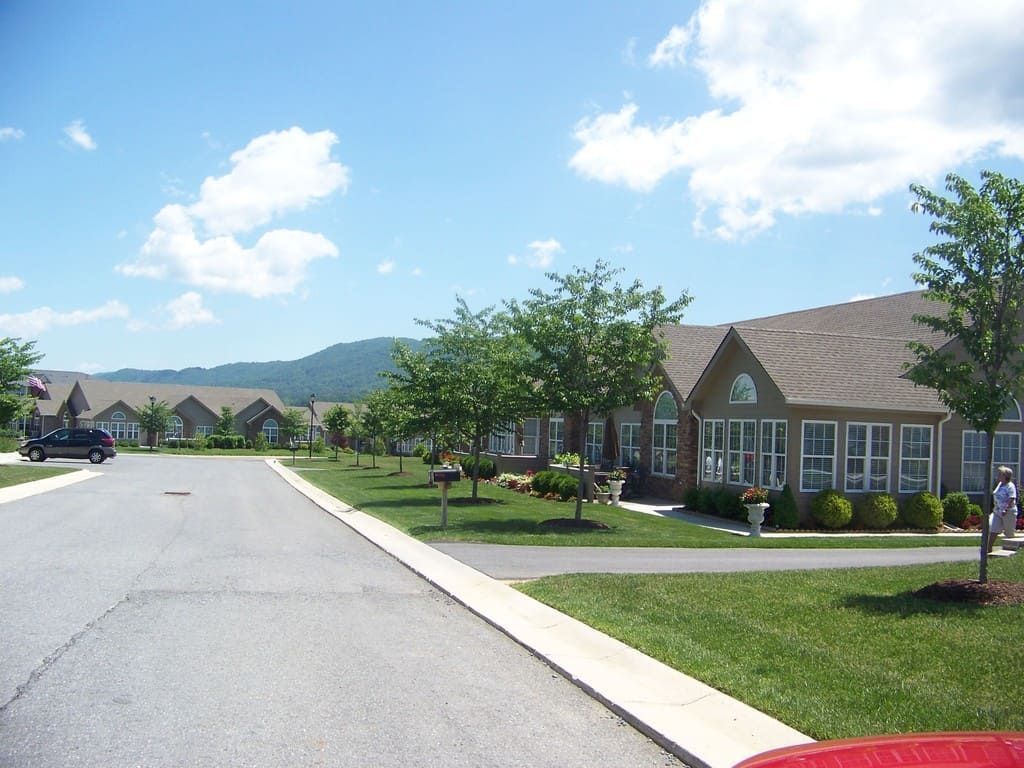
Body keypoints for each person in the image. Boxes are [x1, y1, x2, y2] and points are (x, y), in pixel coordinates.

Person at [988, 465, 1018, 554]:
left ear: (1005, 476)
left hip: (1008, 512)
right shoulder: (1000, 485)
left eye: (1000, 474)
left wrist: (1005, 509)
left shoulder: (1010, 486)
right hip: (997, 512)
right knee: (993, 529)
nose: (998, 476)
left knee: (1009, 533)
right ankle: (989, 550)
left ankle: (1011, 551)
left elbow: (1012, 498)